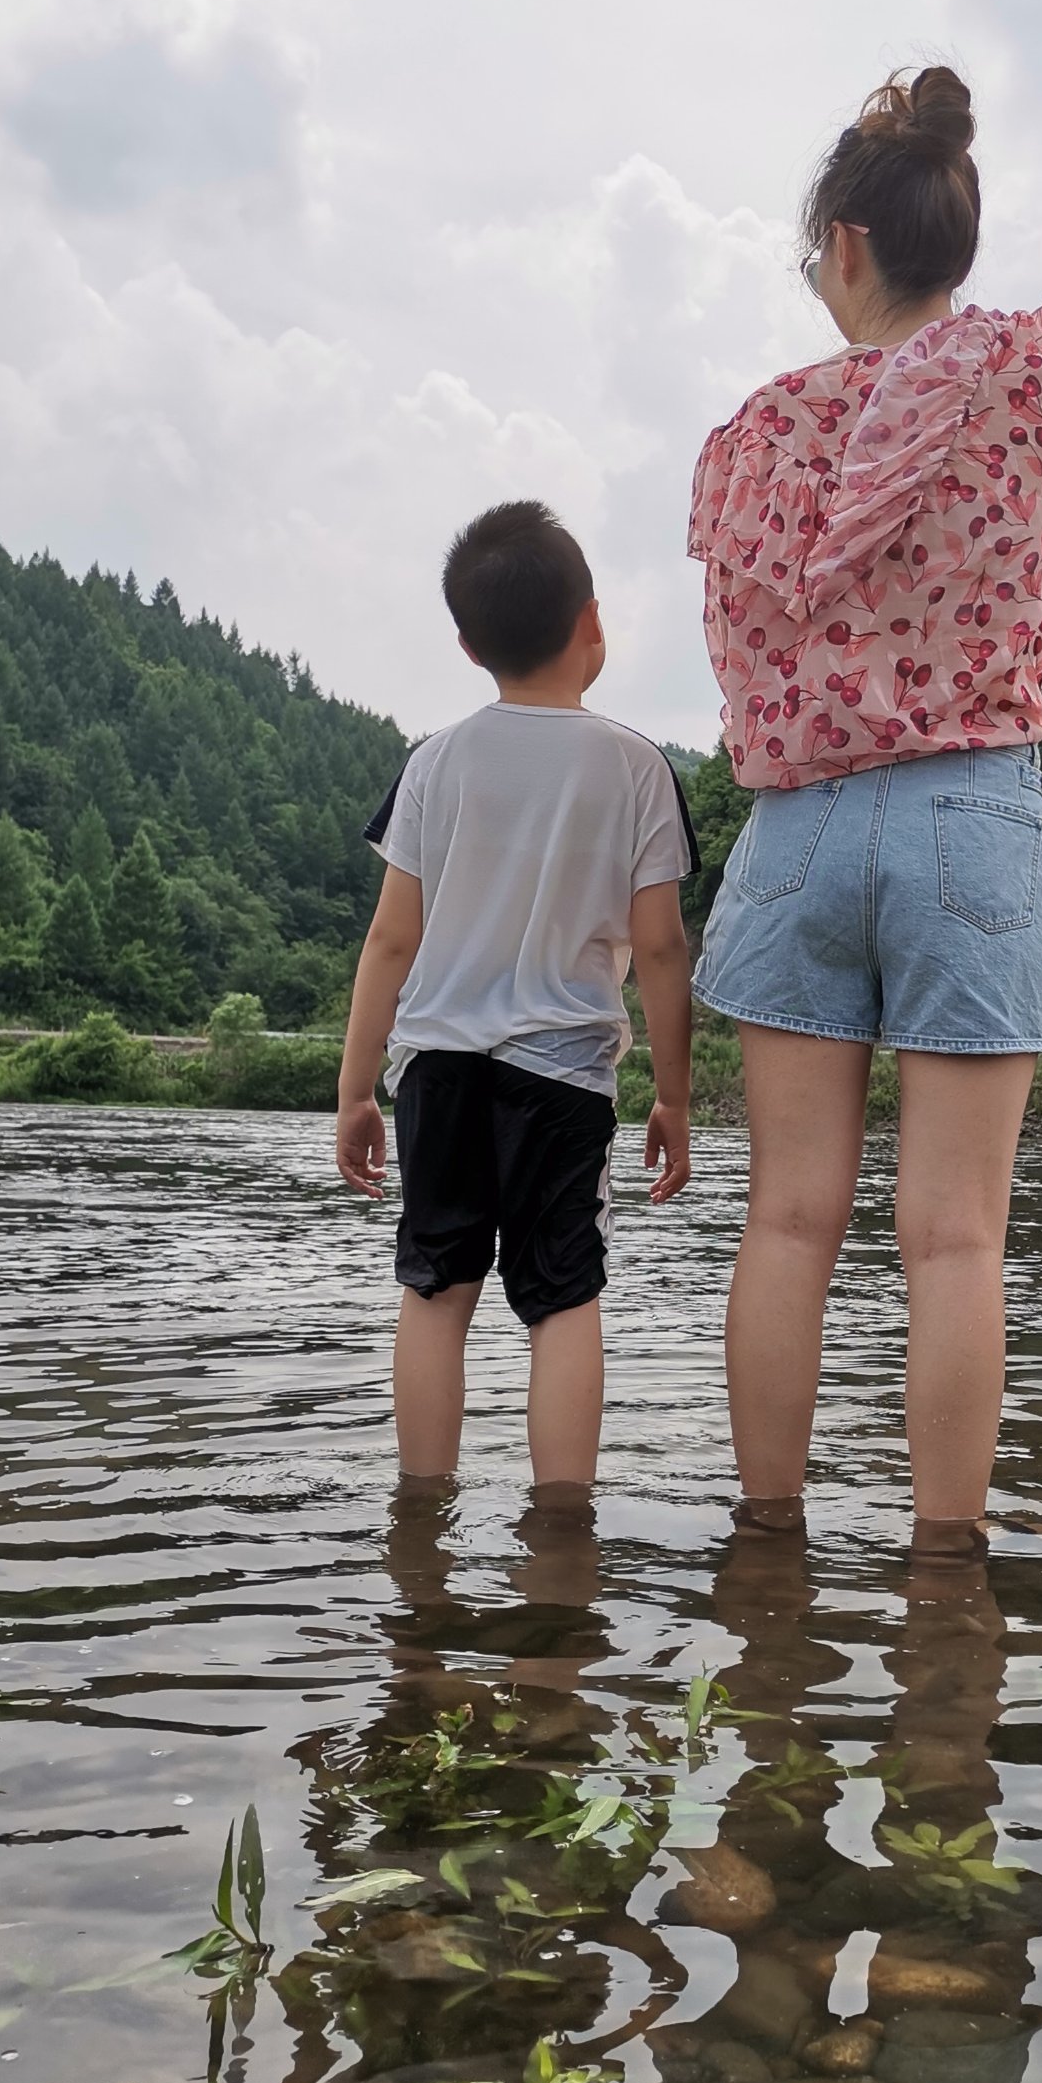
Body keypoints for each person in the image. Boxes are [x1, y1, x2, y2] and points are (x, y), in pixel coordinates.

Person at [688, 65, 1042, 1558]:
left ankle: (765, 1562)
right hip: (970, 820)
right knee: (953, 1237)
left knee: (787, 1219)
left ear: (848, 246)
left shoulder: (756, 435)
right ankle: (947, 1592)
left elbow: (736, 637)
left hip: (799, 832)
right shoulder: (1022, 379)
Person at [335, 499, 696, 1505]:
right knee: (562, 1300)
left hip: (438, 1066)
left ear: (467, 645)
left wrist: (355, 1090)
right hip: (563, 1074)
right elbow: (660, 948)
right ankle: (563, 1534)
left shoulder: (434, 761)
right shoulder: (635, 767)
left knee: (435, 1291)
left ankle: (419, 1519)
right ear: (593, 621)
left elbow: (390, 940)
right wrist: (674, 1097)